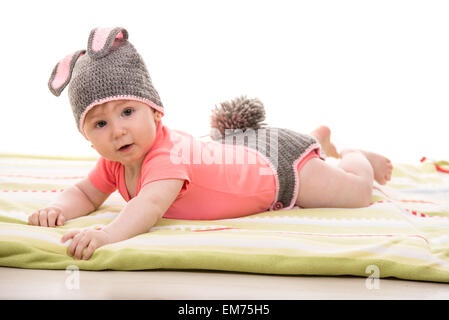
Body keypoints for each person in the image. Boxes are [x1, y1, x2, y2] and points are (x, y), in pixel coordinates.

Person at [28, 27, 393, 260]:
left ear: (155, 112)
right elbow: (86, 192)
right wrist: (57, 209)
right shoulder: (115, 161)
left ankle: (352, 156)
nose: (118, 131)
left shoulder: (166, 156)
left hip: (278, 167)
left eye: (127, 112)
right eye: (100, 123)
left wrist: (106, 235)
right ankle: (317, 138)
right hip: (240, 147)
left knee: (359, 193)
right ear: (87, 138)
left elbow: (149, 205)